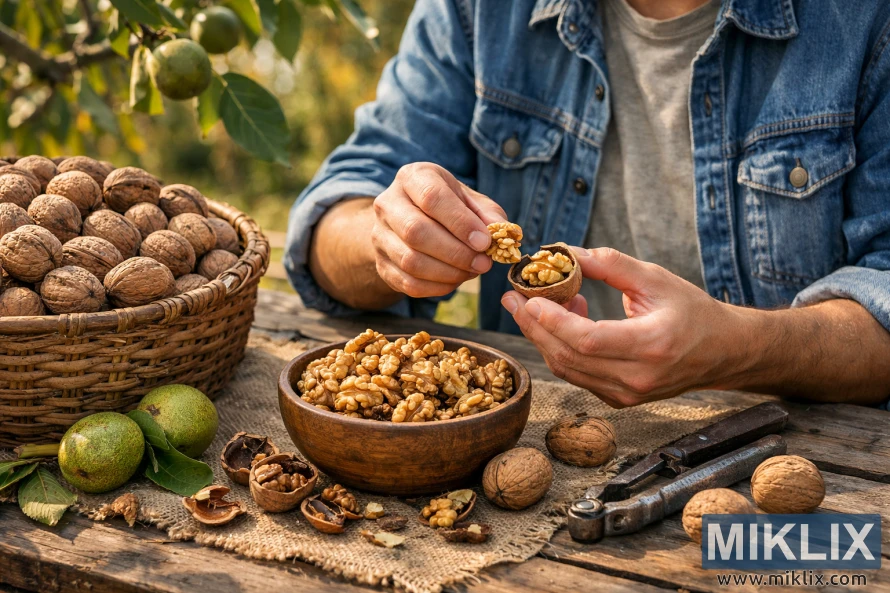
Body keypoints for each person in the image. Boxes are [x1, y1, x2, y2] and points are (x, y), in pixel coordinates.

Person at [284, 0, 890, 408]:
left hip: (801, 455)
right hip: (536, 427)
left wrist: (740, 350)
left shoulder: (864, 21)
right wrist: (384, 241)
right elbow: (334, 218)